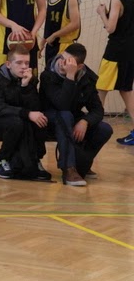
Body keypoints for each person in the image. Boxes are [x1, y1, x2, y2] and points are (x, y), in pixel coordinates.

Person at [40, 43, 112, 186]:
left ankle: (82, 163)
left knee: (104, 129)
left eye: (69, 62)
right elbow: (62, 105)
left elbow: (98, 110)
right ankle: (69, 168)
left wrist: (85, 121)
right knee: (65, 115)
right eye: (62, 58)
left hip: (72, 117)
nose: (62, 63)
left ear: (79, 66)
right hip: (48, 119)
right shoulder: (48, 75)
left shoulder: (87, 78)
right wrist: (70, 76)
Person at [0, 45, 52, 181]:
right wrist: (26, 113)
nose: (24, 67)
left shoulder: (30, 79)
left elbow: (35, 106)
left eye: (27, 63)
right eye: (19, 63)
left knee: (40, 120)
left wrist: (25, 87)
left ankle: (34, 160)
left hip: (20, 117)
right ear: (8, 64)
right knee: (17, 123)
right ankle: (2, 159)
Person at [94, 0, 134, 145]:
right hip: (130, 50)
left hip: (116, 51)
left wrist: (102, 13)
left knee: (101, 88)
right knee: (126, 90)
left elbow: (111, 28)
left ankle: (93, 127)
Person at [42, 0, 81, 64]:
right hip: (51, 45)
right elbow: (49, 23)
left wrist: (55, 35)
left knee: (60, 73)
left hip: (64, 45)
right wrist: (42, 42)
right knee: (49, 73)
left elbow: (75, 24)